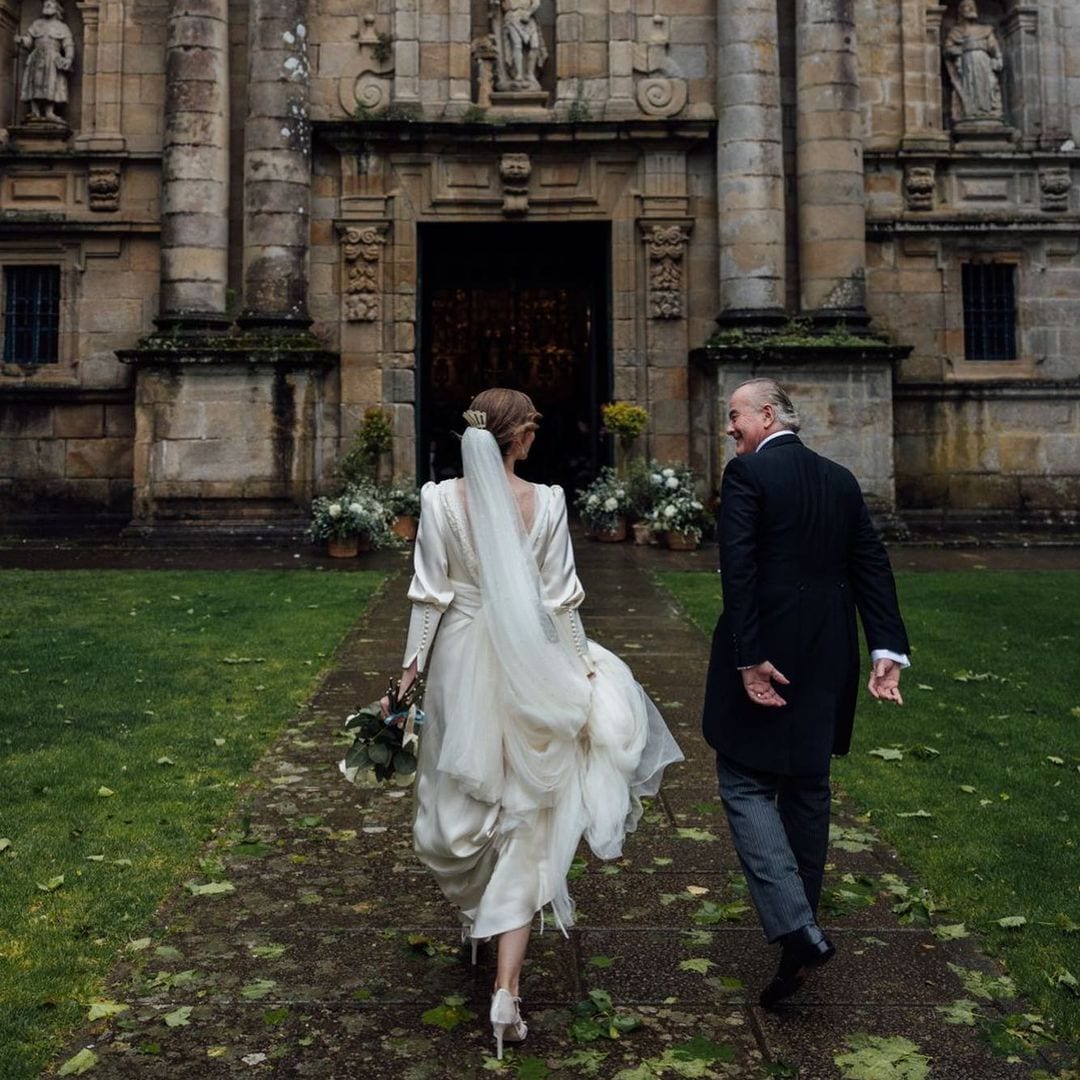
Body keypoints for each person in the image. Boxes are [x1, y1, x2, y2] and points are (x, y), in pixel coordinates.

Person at [395, 388, 682, 1057]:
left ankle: (481, 923)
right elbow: (561, 602)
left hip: (460, 658)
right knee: (530, 812)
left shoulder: (438, 500)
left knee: (459, 804)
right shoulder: (549, 501)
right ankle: (506, 991)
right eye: (532, 431)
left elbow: (429, 597)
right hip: (530, 664)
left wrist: (407, 677)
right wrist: (581, 670)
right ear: (520, 436)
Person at [701, 378, 909, 1008]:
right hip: (829, 657)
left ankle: (797, 928)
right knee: (808, 789)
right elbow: (871, 563)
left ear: (767, 415)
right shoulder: (839, 477)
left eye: (735, 416)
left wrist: (750, 660)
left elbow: (737, 570)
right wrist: (885, 650)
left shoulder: (748, 479)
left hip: (769, 654)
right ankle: (802, 944)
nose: (729, 428)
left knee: (744, 781)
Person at [943, 0, 1004, 121]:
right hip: (967, 61)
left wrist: (998, 57)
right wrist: (959, 50)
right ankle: (970, 112)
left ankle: (986, 111)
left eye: (972, 6)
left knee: (987, 85)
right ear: (960, 11)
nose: (970, 9)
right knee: (969, 85)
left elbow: (993, 46)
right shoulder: (956, 31)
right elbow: (947, 49)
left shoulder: (986, 29)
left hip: (983, 60)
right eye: (966, 7)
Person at [18, 0, 75, 124]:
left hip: (53, 58)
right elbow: (29, 41)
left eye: (50, 3)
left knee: (52, 83)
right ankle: (34, 111)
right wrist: (23, 40)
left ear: (57, 8)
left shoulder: (62, 27)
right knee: (33, 82)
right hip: (36, 57)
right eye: (45, 4)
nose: (47, 6)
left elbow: (68, 45)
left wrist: (69, 58)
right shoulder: (36, 24)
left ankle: (50, 112)